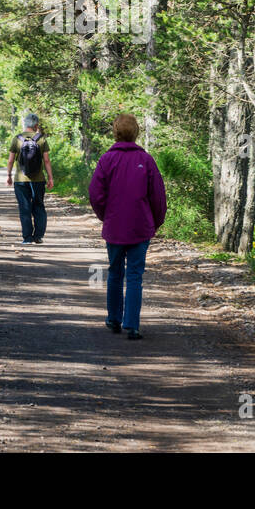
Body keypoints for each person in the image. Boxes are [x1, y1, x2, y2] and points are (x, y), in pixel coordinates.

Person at [87, 114, 167, 340]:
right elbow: (158, 196)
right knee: (134, 275)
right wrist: (156, 221)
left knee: (114, 272)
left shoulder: (106, 160)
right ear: (136, 133)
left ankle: (114, 319)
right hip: (140, 227)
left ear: (115, 133)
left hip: (115, 227)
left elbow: (95, 194)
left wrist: (106, 216)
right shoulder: (146, 159)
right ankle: (131, 325)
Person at [5, 113, 53, 245]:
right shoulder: (41, 139)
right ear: (36, 125)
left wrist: (8, 175)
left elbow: (10, 160)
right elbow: (47, 161)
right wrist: (50, 178)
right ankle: (38, 236)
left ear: (25, 124)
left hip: (20, 180)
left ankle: (27, 238)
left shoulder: (17, 139)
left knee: (24, 207)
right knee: (39, 206)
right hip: (38, 180)